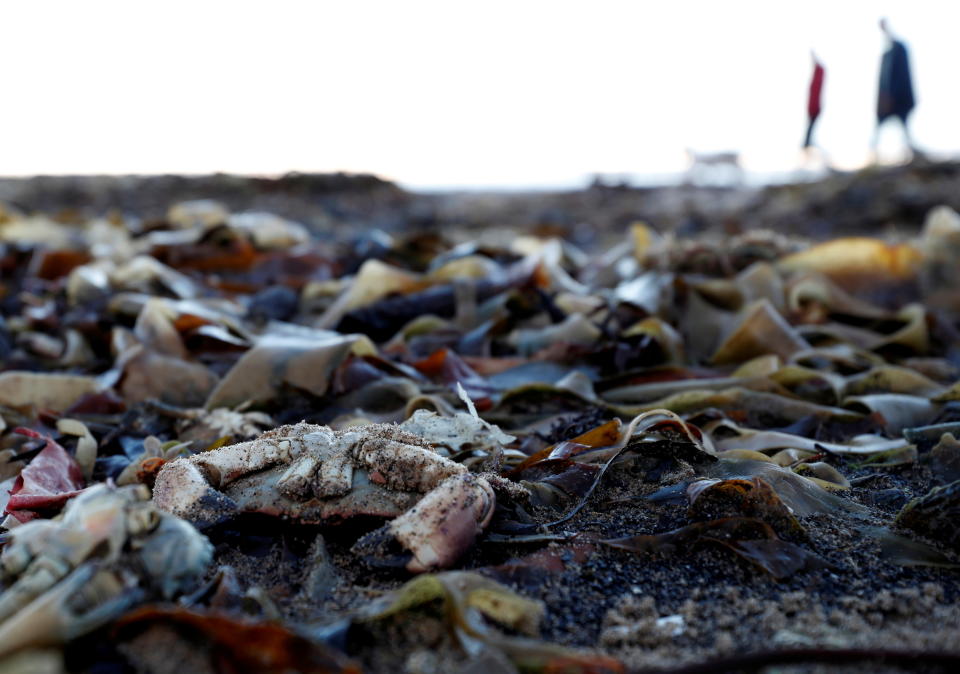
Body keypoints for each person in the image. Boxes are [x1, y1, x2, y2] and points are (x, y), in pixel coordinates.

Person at [873, 19, 917, 158]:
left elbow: (902, 75)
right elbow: (884, 81)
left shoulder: (898, 49)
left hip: (900, 98)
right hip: (888, 99)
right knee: (882, 126)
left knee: (902, 125)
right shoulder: (887, 54)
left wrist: (893, 96)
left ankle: (910, 152)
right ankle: (874, 152)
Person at [803, 52, 825, 152]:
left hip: (814, 108)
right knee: (810, 127)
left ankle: (807, 145)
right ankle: (807, 144)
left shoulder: (819, 72)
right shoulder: (817, 74)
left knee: (811, 127)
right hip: (813, 107)